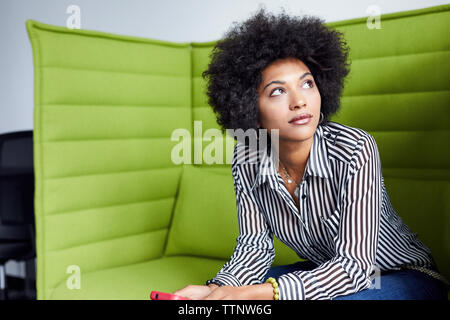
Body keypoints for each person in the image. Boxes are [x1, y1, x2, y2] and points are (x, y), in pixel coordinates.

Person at [173, 7, 448, 300]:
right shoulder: (247, 157)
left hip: (397, 274)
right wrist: (217, 289)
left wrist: (260, 293)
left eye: (307, 83)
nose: (300, 101)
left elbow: (354, 267)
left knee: (262, 295)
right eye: (277, 91)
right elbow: (254, 246)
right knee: (229, 297)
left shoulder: (355, 148)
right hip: (324, 270)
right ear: (251, 112)